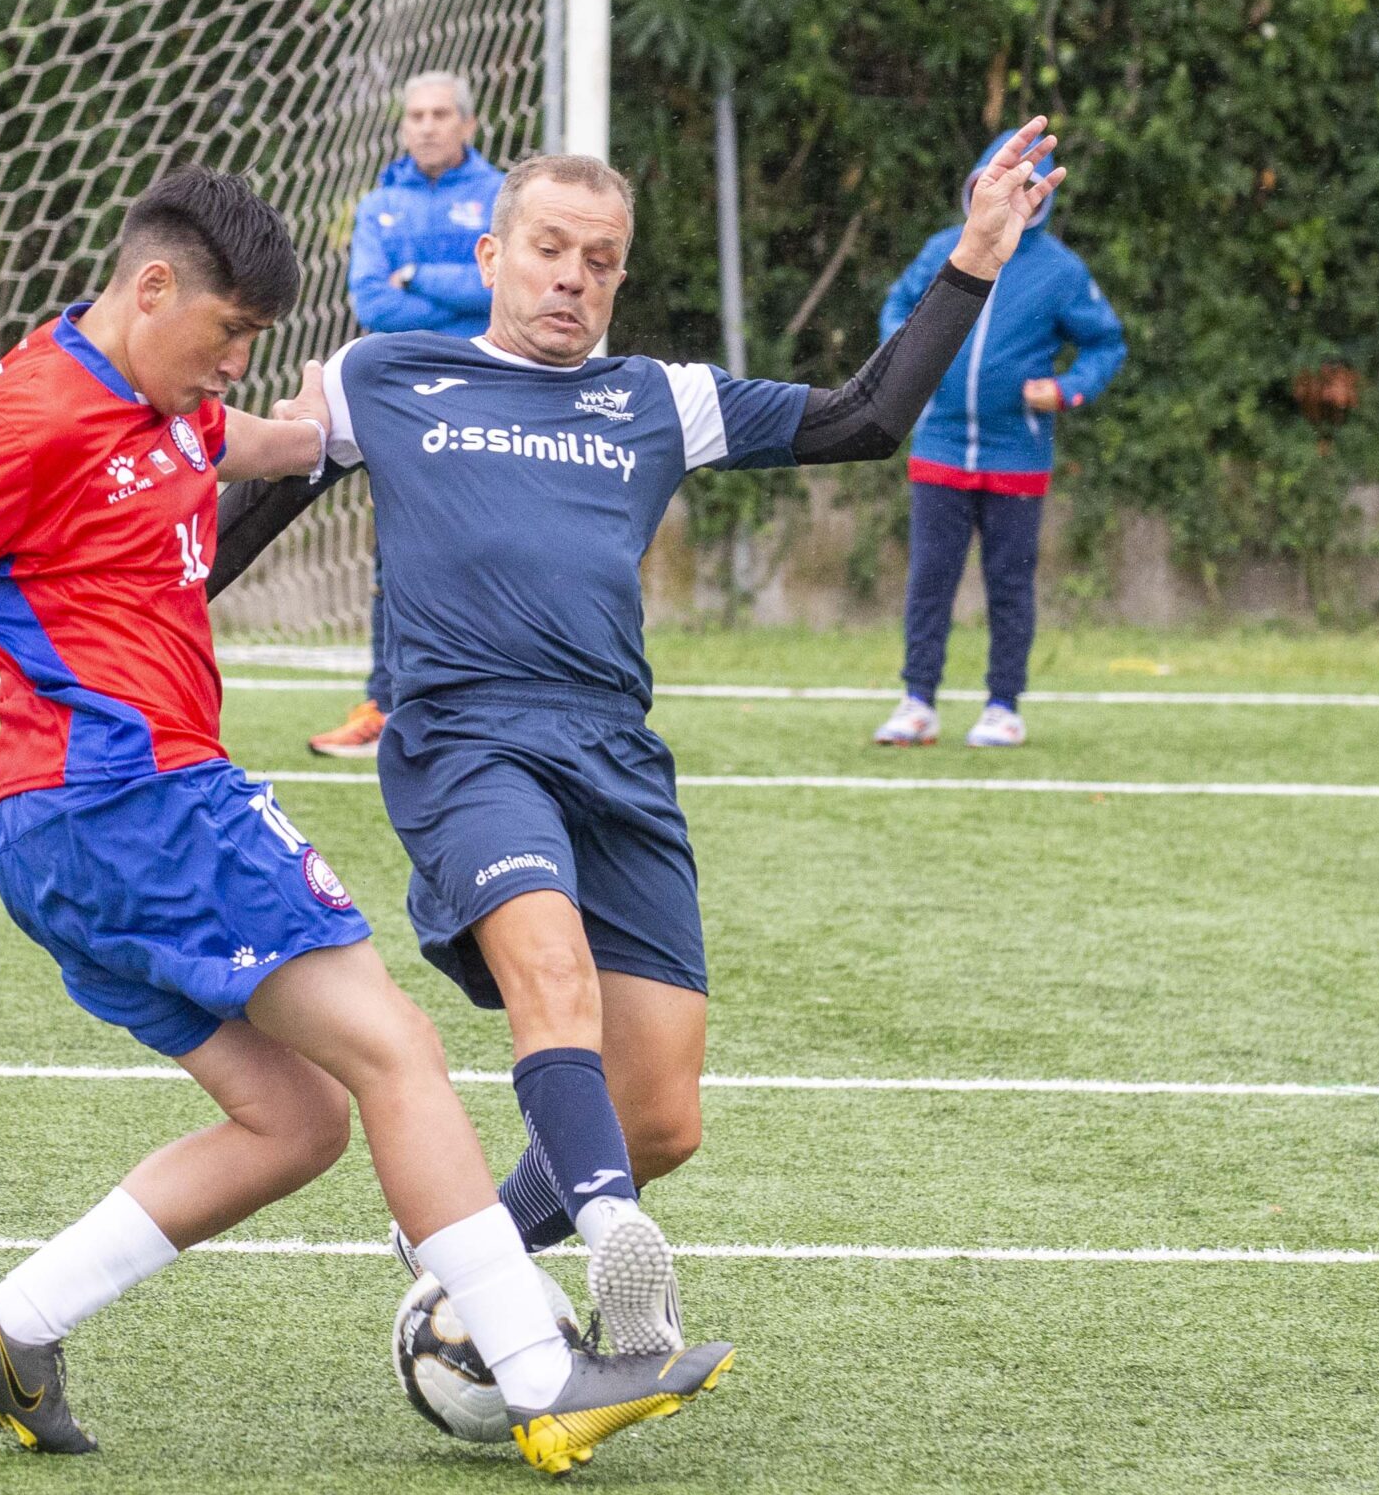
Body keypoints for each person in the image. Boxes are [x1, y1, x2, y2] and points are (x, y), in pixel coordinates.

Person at [0, 168, 730, 1474]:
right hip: (142, 804)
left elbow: (256, 443)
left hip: (69, 838)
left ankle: (16, 1319)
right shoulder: (26, 417)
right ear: (152, 288)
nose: (236, 362)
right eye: (229, 332)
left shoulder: (162, 403)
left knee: (297, 1120)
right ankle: (547, 1374)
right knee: (398, 1052)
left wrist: (355, 419)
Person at [211, 125, 1062, 1352]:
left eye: (600, 260)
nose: (573, 277)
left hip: (614, 753)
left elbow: (869, 419)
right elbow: (232, 530)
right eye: (550, 249)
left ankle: (472, 1244)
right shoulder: (381, 376)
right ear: (493, 256)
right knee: (553, 975)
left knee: (660, 1116)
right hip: (465, 740)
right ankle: (616, 1241)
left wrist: (975, 255)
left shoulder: (660, 398)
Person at [871, 130, 1125, 750]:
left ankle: (1003, 707)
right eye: (1002, 182)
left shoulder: (1062, 271)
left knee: (1010, 586)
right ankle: (917, 702)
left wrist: (1066, 390)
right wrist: (910, 368)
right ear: (980, 184)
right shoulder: (943, 249)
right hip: (939, 445)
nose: (1013, 195)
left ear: (1042, 196)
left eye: (1025, 186)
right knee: (929, 581)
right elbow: (897, 309)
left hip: (1018, 455)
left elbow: (1106, 343)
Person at [308, 71, 503, 760]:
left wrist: (417, 275)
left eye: (440, 114)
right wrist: (455, 296)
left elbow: (504, 291)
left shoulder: (500, 196)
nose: (426, 125)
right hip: (405, 397)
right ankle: (385, 705)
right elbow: (371, 303)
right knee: (397, 554)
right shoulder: (380, 204)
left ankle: (487, 708)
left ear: (468, 124)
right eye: (415, 115)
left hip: (487, 390)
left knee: (489, 549)